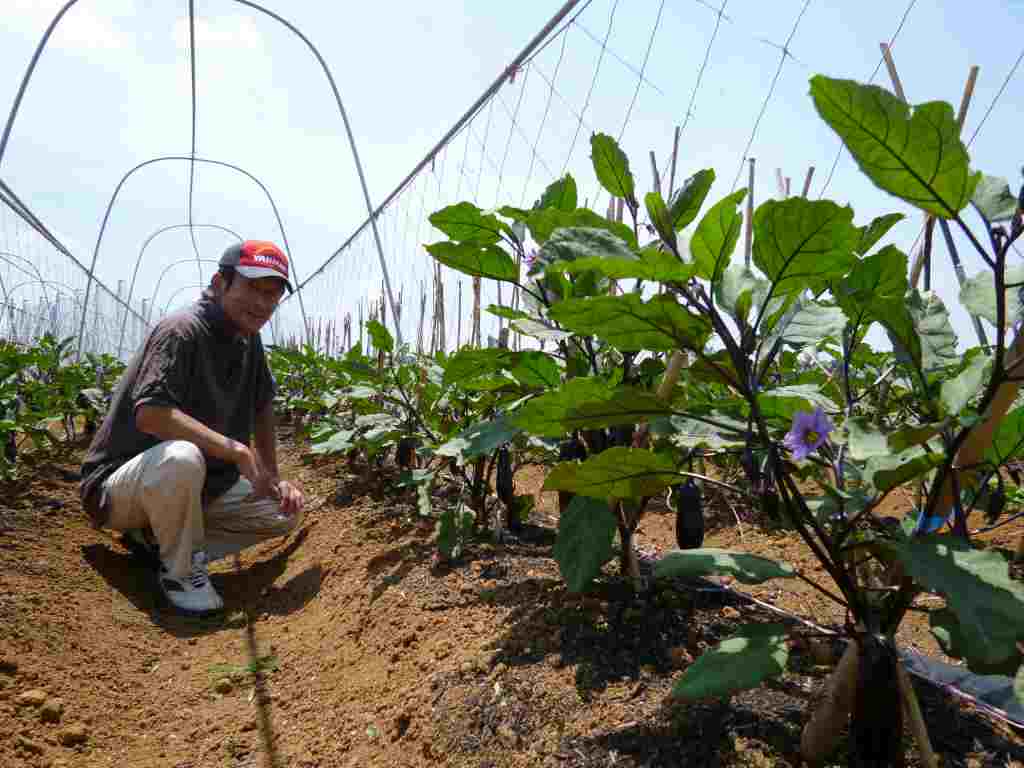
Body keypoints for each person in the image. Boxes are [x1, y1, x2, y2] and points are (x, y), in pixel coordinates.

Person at [80, 240, 306, 616]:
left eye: (273, 295)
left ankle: (161, 543)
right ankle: (180, 572)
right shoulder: (181, 331)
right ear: (219, 283)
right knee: (182, 457)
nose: (263, 304)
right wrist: (236, 450)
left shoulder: (249, 340)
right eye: (253, 288)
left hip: (196, 486)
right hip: (120, 487)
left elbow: (262, 404)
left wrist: (272, 476)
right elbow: (151, 415)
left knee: (281, 512)